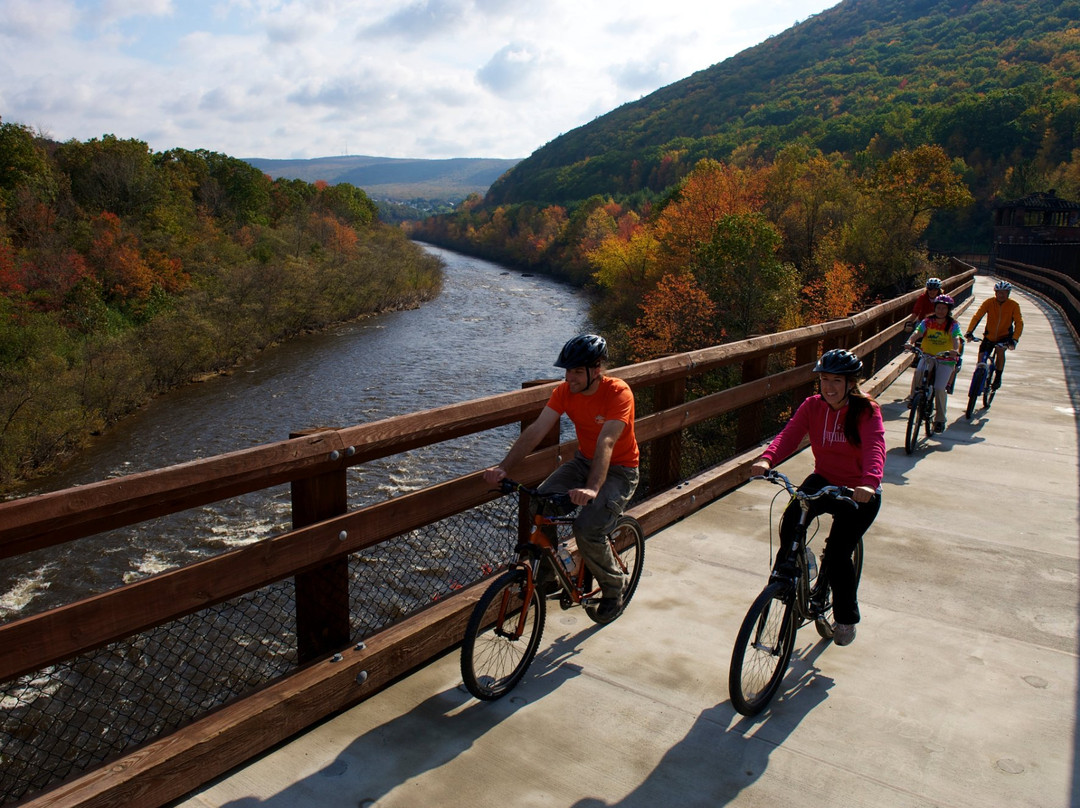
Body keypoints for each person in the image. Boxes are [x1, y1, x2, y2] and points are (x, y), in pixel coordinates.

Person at [483, 334, 639, 622]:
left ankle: (614, 586)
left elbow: (606, 441)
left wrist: (592, 489)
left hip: (620, 469)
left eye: (577, 371)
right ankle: (549, 575)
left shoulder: (618, 393)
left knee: (587, 529)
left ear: (596, 370)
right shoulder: (565, 392)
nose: (570, 378)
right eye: (567, 371)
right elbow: (536, 430)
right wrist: (504, 468)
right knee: (540, 503)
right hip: (583, 462)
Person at [750, 349, 885, 647]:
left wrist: (869, 483)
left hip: (859, 490)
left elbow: (875, 447)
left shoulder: (866, 410)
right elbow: (789, 435)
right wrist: (767, 459)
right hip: (824, 479)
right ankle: (788, 574)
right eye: (824, 379)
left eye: (836, 380)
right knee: (790, 521)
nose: (829, 387)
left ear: (851, 383)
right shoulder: (812, 406)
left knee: (838, 555)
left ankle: (846, 618)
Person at [904, 294, 962, 432]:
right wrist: (909, 342)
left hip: (945, 359)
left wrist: (955, 350)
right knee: (919, 372)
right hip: (928, 355)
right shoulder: (927, 321)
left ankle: (940, 419)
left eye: (944, 308)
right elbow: (917, 333)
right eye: (938, 307)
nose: (941, 311)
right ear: (934, 308)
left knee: (939, 388)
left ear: (948, 310)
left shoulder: (953, 325)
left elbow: (956, 338)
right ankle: (913, 398)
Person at [965, 280, 1023, 390]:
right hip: (989, 336)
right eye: (999, 292)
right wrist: (969, 331)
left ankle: (998, 377)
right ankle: (978, 379)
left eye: (1004, 293)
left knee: (1000, 351)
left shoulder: (1013, 305)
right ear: (995, 293)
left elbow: (1019, 323)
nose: (1001, 295)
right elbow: (977, 316)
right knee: (981, 358)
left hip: (1004, 336)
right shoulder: (989, 302)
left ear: (1008, 293)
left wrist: (1015, 339)